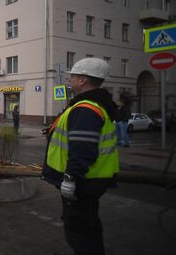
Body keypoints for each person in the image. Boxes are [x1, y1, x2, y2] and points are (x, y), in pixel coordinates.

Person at [41, 57, 119, 255]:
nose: (70, 80)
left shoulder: (85, 108)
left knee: (79, 231)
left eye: (73, 77)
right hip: (90, 181)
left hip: (82, 183)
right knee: (87, 226)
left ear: (83, 80)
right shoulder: (92, 105)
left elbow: (83, 149)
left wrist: (70, 178)